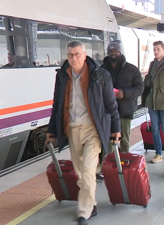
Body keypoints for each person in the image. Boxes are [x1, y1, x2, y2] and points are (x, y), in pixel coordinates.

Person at [46, 40, 121, 225]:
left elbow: (111, 104)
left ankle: (84, 211)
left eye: (77, 54)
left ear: (85, 55)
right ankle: (91, 201)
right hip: (72, 129)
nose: (73, 58)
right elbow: (57, 104)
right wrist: (51, 130)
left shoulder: (100, 75)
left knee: (88, 170)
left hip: (93, 129)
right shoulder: (62, 76)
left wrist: (116, 129)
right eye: (70, 55)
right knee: (80, 172)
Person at [101, 40, 144, 153]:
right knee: (109, 140)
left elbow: (139, 88)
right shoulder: (101, 70)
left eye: (116, 50)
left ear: (120, 52)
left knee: (124, 140)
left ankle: (124, 161)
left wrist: (124, 93)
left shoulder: (132, 69)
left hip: (126, 110)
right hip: (108, 111)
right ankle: (108, 164)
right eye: (111, 51)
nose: (113, 53)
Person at [143, 41, 164, 163]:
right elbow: (149, 82)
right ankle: (158, 153)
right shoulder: (152, 65)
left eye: (158, 49)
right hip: (152, 101)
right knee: (155, 128)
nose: (156, 52)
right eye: (154, 49)